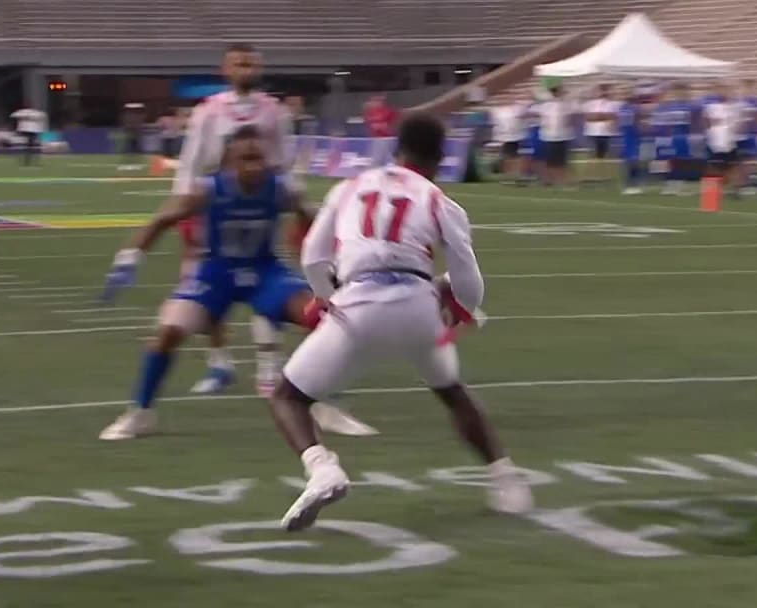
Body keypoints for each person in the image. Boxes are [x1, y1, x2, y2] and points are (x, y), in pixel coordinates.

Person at [268, 113, 533, 532]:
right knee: (451, 392)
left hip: (358, 303)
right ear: (441, 158)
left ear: (396, 149)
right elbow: (467, 277)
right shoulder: (439, 201)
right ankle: (507, 480)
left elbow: (313, 257)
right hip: (417, 307)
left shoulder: (349, 187)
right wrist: (459, 314)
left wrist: (325, 299)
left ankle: (323, 468)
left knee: (287, 396)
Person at [97, 127, 374, 440]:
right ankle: (141, 413)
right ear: (229, 162)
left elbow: (311, 217)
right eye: (246, 159)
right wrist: (129, 258)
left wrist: (333, 258)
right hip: (217, 272)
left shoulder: (281, 189)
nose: (254, 166)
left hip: (265, 271)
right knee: (168, 332)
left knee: (325, 320)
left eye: (258, 158)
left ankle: (328, 405)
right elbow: (163, 218)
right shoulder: (209, 190)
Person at [174, 43, 295, 396]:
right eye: (239, 63)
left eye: (252, 64)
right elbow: (191, 159)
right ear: (225, 69)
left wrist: (287, 199)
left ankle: (269, 367)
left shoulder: (274, 111)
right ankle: (219, 362)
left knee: (266, 280)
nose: (246, 69)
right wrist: (185, 204)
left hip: (261, 202)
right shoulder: (209, 111)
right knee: (206, 285)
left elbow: (285, 159)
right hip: (214, 201)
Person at [651, 84, 695, 195]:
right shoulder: (665, 107)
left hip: (682, 137)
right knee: (667, 161)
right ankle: (669, 184)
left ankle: (679, 185)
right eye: (677, 92)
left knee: (681, 161)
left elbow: (691, 123)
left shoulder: (688, 106)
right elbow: (658, 123)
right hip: (668, 138)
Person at [705, 82, 744, 197]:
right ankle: (712, 192)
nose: (723, 93)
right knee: (714, 166)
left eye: (726, 90)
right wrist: (710, 133)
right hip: (715, 141)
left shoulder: (734, 107)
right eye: (720, 90)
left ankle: (736, 190)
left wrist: (733, 132)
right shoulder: (711, 107)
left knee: (733, 166)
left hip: (729, 141)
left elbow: (737, 123)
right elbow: (707, 121)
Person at [537, 84, 576, 187]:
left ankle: (562, 180)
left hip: (563, 136)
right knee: (552, 160)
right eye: (559, 91)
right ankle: (554, 180)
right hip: (550, 136)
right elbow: (544, 120)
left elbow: (570, 116)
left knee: (562, 160)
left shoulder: (566, 104)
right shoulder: (546, 105)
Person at [582, 84, 618, 184]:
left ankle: (604, 176)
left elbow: (612, 116)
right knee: (593, 155)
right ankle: (589, 176)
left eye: (605, 90)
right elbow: (588, 117)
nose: (603, 93)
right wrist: (603, 116)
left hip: (605, 132)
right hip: (593, 132)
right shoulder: (590, 104)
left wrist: (598, 116)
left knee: (604, 156)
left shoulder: (611, 104)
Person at [736, 79, 757, 193]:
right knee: (741, 160)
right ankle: (741, 183)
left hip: (753, 134)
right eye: (746, 88)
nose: (748, 90)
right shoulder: (739, 103)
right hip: (742, 135)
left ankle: (747, 183)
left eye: (751, 88)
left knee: (752, 160)